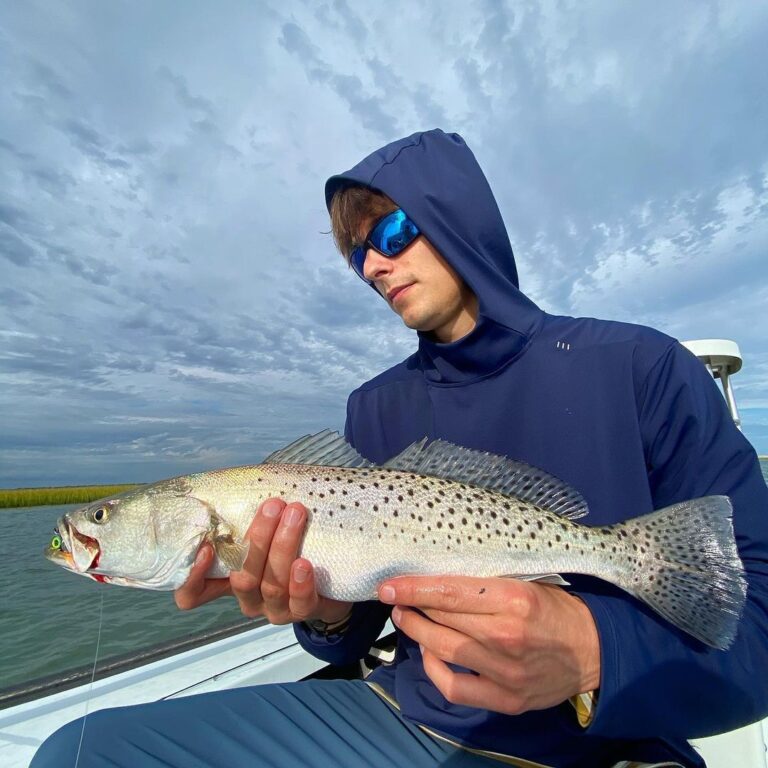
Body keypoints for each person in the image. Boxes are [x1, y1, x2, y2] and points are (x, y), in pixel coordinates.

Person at [32, 129, 768, 768]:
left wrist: (595, 652)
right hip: (406, 724)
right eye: (359, 256)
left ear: (459, 220)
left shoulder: (640, 364)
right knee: (79, 754)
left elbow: (756, 622)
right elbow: (349, 634)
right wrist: (320, 612)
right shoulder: (372, 407)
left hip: (614, 743)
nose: (376, 268)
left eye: (390, 235)